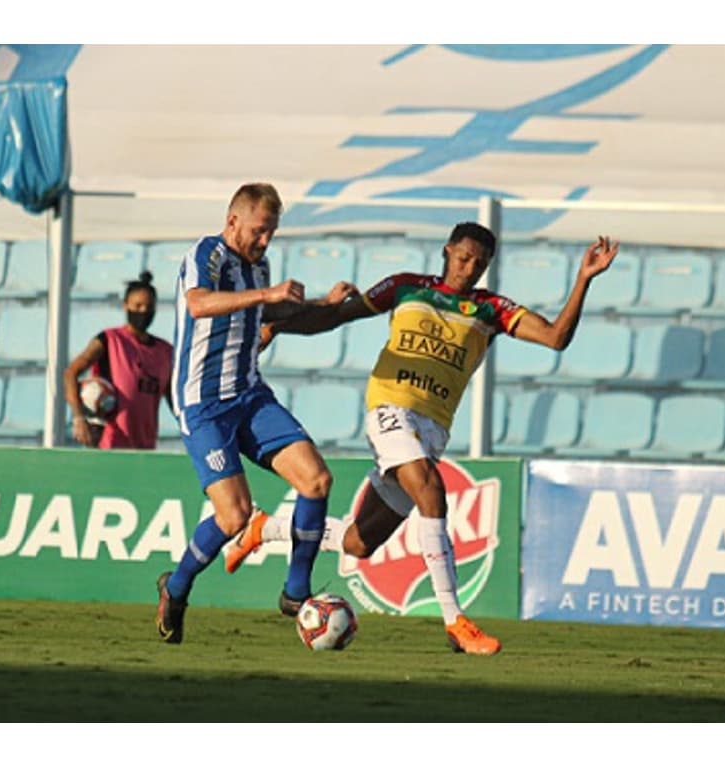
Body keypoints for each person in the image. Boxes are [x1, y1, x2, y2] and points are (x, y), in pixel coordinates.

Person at [224, 223, 620, 655]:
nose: (469, 269)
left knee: (360, 542)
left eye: (480, 264)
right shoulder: (406, 287)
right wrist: (279, 324)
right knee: (432, 491)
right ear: (447, 252)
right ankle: (455, 620)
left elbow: (555, 337)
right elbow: (338, 315)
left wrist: (583, 279)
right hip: (390, 409)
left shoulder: (489, 309)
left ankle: (266, 527)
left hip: (431, 429)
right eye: (464, 258)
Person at [155, 182, 355, 644]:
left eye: (272, 233)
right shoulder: (207, 254)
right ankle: (177, 586)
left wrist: (321, 305)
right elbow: (199, 303)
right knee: (234, 516)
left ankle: (295, 592)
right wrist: (267, 297)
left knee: (316, 480)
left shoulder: (257, 265)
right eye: (260, 231)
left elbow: (269, 317)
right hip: (203, 405)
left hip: (248, 395)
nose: (266, 242)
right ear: (233, 221)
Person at [64, 270, 173, 450]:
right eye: (137, 306)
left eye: (148, 307)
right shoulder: (109, 340)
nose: (143, 311)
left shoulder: (165, 351)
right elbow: (71, 373)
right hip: (110, 444)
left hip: (145, 448)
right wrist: (78, 418)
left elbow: (174, 399)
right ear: (125, 306)